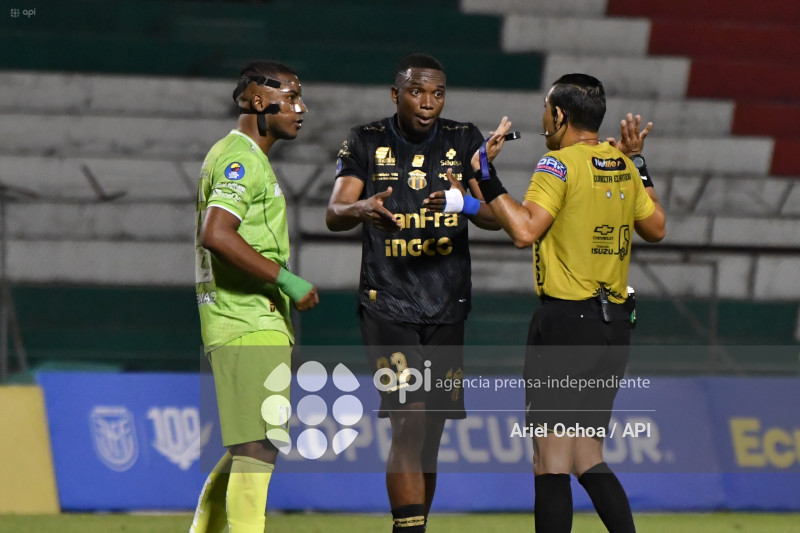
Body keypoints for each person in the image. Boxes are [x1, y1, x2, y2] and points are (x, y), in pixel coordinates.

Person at [471, 74, 666, 532]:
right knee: (586, 456)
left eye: (545, 109)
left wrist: (484, 172)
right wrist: (638, 160)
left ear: (559, 115)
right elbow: (656, 227)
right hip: (613, 328)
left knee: (549, 461)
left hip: (565, 324)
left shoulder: (556, 165)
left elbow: (524, 230)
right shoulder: (621, 163)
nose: (543, 118)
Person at [326, 53, 510, 532]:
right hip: (387, 305)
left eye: (437, 93)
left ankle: (416, 526)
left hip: (447, 307)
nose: (428, 103)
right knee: (409, 419)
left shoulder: (462, 138)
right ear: (396, 95)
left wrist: (464, 199)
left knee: (431, 432)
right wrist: (362, 206)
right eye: (416, 92)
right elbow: (334, 210)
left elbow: (496, 219)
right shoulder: (365, 140)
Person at [190, 60, 319, 533]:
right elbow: (217, 233)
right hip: (247, 319)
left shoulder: (238, 155)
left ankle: (205, 522)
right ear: (261, 102)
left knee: (253, 441)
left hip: (244, 320)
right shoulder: (240, 159)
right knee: (259, 446)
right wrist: (287, 280)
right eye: (292, 99)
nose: (301, 109)